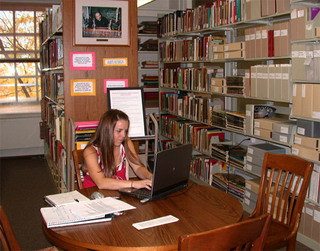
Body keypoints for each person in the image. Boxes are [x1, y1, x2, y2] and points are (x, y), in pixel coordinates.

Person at [83, 109, 153, 190]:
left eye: (125, 131)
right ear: (106, 130)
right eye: (119, 131)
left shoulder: (126, 142)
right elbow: (101, 183)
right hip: (96, 197)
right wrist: (133, 184)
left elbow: (137, 167)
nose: (123, 135)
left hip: (119, 195)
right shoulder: (90, 152)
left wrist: (150, 176)